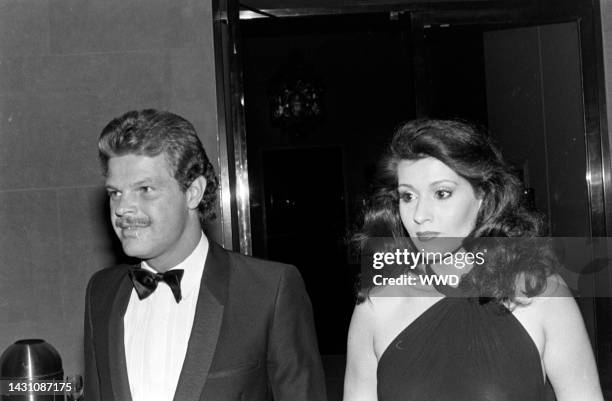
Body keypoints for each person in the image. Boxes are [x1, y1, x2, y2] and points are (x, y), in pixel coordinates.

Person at [343, 119, 603, 401]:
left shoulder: (540, 295)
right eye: (407, 196)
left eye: (441, 193)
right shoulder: (376, 307)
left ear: (483, 196)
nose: (419, 215)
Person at [84, 109, 326, 401]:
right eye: (115, 193)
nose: (122, 208)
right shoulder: (101, 292)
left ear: (193, 192)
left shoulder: (268, 290)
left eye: (145, 189)